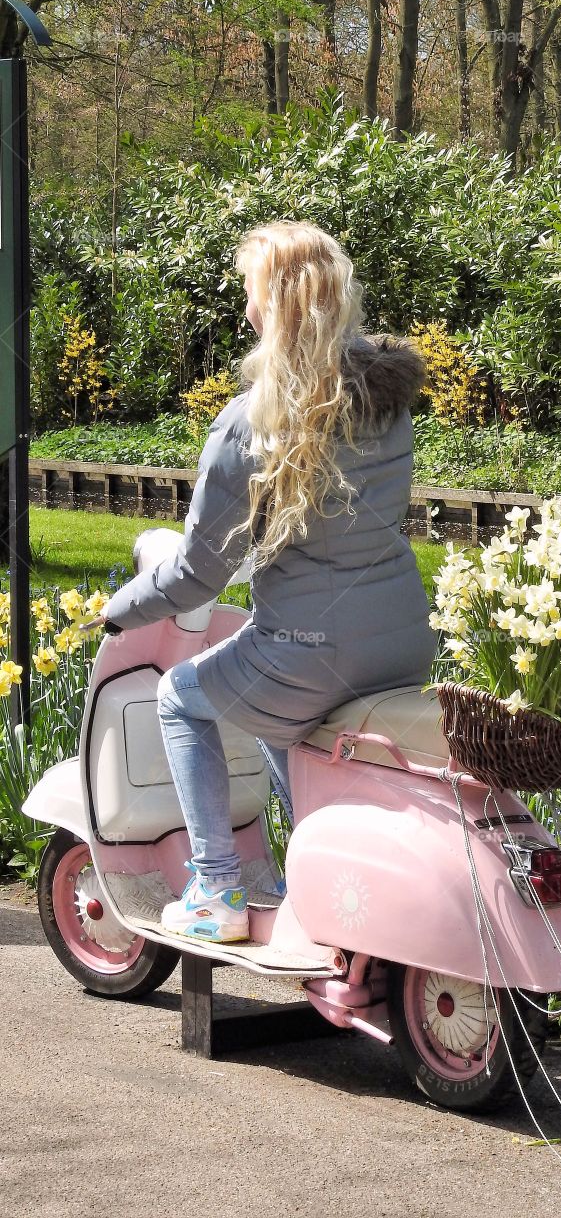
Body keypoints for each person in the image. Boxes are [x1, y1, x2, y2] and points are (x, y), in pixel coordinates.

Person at [89, 221, 438, 943]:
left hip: (315, 649)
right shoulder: (388, 399)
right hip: (401, 639)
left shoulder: (252, 423)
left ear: (272, 306)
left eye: (250, 292)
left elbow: (196, 571)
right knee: (282, 708)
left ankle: (217, 888)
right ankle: (322, 875)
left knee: (180, 698)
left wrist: (118, 612)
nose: (244, 308)